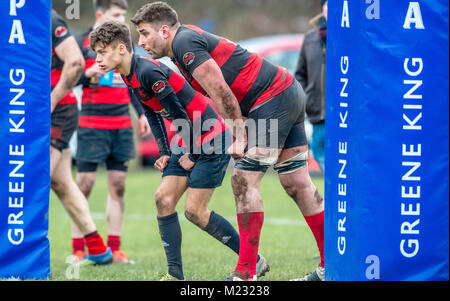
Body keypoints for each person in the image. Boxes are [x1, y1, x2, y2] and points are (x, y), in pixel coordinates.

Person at [131, 1, 325, 281]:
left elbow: (220, 90)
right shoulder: (182, 46)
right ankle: (329, 264)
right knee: (297, 183)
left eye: (145, 33)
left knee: (243, 179)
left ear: (164, 30)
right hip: (286, 93)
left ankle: (246, 273)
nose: (142, 42)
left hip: (271, 100)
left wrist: (239, 135)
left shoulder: (184, 42)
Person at [89, 21, 270, 281]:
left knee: (194, 211)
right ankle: (175, 276)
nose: (98, 59)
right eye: (96, 52)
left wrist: (193, 156)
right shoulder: (127, 74)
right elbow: (153, 114)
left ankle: (253, 261)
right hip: (188, 139)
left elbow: (179, 115)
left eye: (102, 52)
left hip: (209, 137)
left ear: (120, 49)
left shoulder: (148, 72)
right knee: (163, 199)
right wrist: (164, 152)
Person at [70, 0, 150, 264]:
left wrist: (141, 114)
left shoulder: (124, 44)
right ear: (101, 14)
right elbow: (68, 77)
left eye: (124, 14)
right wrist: (88, 71)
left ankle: (116, 249)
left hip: (120, 124)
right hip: (91, 124)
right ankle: (79, 250)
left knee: (118, 185)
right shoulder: (80, 43)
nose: (122, 18)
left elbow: (132, 81)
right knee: (84, 185)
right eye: (117, 14)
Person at [50, 9, 112, 265]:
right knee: (61, 183)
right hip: (37, 112)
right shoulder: (15, 19)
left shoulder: (49, 19)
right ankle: (99, 249)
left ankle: (19, 251)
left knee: (30, 179)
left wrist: (51, 100)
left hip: (57, 111)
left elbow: (75, 63)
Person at [295, 0, 327, 174]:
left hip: (342, 114)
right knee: (319, 150)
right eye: (328, 4)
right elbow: (300, 74)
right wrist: (306, 99)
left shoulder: (348, 38)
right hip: (317, 113)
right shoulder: (310, 38)